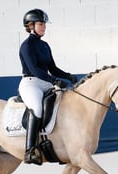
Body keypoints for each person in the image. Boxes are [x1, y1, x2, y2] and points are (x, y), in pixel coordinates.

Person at [19, 8, 77, 164]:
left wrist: (68, 76)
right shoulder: (26, 46)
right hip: (31, 84)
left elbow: (53, 69)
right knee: (37, 109)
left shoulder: (44, 45)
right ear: (30, 25)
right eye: (40, 24)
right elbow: (35, 70)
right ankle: (30, 150)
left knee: (63, 103)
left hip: (45, 82)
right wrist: (55, 81)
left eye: (44, 24)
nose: (44, 27)